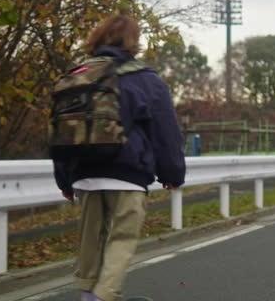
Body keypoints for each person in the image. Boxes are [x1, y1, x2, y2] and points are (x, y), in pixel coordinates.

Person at [52, 15, 185, 301]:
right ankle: (102, 296)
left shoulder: (79, 75)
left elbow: (63, 129)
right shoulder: (145, 78)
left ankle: (88, 292)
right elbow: (165, 132)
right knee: (121, 238)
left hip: (84, 174)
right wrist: (172, 174)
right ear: (133, 41)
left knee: (91, 242)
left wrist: (64, 178)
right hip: (128, 173)